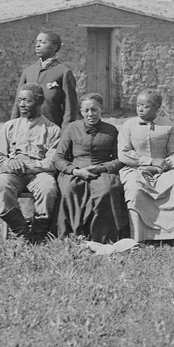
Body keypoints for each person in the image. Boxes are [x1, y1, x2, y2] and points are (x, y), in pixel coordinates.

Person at [0, 83, 60, 244]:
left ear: (39, 102)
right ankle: (21, 232)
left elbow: (53, 161)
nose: (21, 105)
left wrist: (29, 166)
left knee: (48, 187)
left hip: (38, 174)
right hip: (12, 173)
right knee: (0, 184)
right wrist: (10, 162)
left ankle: (38, 233)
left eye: (27, 101)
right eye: (19, 100)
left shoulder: (53, 130)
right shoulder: (10, 127)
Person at [118, 89, 174, 244]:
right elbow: (123, 153)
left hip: (163, 170)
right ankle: (139, 237)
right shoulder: (129, 125)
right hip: (135, 169)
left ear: (157, 108)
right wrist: (149, 162)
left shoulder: (168, 126)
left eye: (145, 106)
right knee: (135, 189)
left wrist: (163, 166)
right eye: (138, 105)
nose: (140, 109)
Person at [54, 93, 128, 244]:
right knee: (70, 188)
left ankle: (102, 237)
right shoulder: (71, 128)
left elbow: (119, 159)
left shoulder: (111, 130)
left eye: (94, 109)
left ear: (101, 109)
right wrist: (75, 171)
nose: (90, 114)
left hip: (101, 170)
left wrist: (102, 168)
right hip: (76, 169)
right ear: (81, 111)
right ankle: (73, 235)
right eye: (86, 110)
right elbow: (58, 158)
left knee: (107, 189)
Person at [11, 32, 79, 130]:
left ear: (54, 47)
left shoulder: (63, 72)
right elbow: (18, 103)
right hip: (26, 126)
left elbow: (69, 107)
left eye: (42, 42)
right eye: (36, 42)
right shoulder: (29, 71)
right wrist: (13, 126)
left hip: (52, 128)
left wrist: (66, 132)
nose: (37, 45)